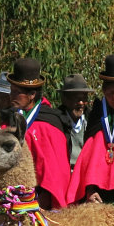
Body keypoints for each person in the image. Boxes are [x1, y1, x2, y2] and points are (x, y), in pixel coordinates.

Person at [67, 55, 114, 206]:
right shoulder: (98, 115)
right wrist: (90, 188)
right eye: (110, 92)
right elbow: (89, 155)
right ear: (103, 90)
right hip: (100, 195)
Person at [7, 58, 71, 209]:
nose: (11, 96)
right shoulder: (10, 119)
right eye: (11, 91)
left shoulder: (48, 125)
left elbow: (54, 172)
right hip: (11, 197)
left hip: (39, 201)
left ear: (32, 95)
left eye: (17, 93)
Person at [57, 74, 94, 170]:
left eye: (84, 98)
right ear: (64, 99)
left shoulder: (92, 121)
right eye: (76, 98)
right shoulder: (56, 122)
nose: (81, 103)